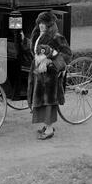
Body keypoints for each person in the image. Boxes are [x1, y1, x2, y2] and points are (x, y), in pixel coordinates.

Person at [26, 11, 72, 140]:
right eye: (40, 23)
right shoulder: (37, 36)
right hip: (38, 75)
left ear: (49, 25)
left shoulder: (57, 37)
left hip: (50, 77)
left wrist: (50, 60)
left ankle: (50, 129)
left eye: (44, 23)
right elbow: (34, 51)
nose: (41, 25)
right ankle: (47, 127)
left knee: (48, 103)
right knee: (41, 102)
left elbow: (67, 55)